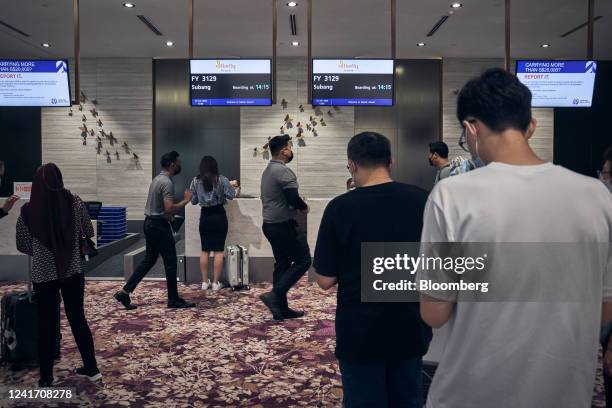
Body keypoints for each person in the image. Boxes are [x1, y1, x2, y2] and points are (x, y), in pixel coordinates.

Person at [418, 68, 612, 408]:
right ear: (531, 125)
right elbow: (605, 308)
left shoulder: (452, 194)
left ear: (470, 128)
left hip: (471, 393)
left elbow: (434, 312)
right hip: (565, 392)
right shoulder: (597, 195)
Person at [314, 132, 432, 408]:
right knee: (409, 399)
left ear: (352, 165)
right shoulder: (423, 200)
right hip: (411, 324)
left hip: (360, 330)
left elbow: (324, 279)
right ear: (390, 161)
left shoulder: (340, 208)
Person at [15, 163, 100, 387]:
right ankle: (91, 369)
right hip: (72, 270)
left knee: (46, 324)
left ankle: (46, 379)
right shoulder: (75, 202)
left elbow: (22, 245)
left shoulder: (28, 211)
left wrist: (43, 252)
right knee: (77, 318)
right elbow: (89, 231)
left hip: (44, 275)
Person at [114, 151, 195, 309]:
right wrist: (186, 200)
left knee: (149, 260)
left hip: (149, 223)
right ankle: (173, 299)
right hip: (158, 226)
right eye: (178, 163)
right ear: (172, 164)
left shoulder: (157, 179)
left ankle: (125, 292)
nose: (179, 165)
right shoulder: (167, 182)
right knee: (170, 261)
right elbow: (169, 208)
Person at [259, 134, 311, 320]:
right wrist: (304, 207)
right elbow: (293, 198)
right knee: (304, 261)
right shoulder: (283, 171)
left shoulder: (268, 170)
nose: (291, 150)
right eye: (290, 147)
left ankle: (280, 308)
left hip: (270, 225)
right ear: (283, 151)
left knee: (282, 263)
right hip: (283, 226)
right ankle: (274, 296)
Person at [189, 155, 240, 291]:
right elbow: (231, 196)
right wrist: (235, 186)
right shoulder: (222, 179)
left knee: (205, 250)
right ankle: (216, 283)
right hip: (219, 216)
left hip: (205, 217)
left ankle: (205, 282)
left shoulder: (195, 181)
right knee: (218, 250)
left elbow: (193, 201)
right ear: (215, 166)